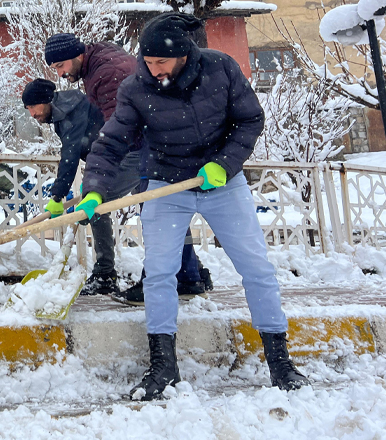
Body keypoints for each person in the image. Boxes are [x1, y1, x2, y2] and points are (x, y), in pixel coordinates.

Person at [74, 12, 310, 400]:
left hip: (221, 181)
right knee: (160, 274)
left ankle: (280, 361)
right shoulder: (136, 88)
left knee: (256, 267)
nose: (152, 70)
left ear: (185, 55)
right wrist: (95, 189)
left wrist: (225, 164)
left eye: (160, 63)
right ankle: (163, 366)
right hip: (168, 184)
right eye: (146, 63)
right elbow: (111, 142)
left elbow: (250, 120)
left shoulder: (220, 68)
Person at [44, 33, 211, 300]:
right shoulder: (100, 58)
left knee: (150, 214)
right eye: (55, 70)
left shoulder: (105, 73)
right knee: (164, 212)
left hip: (150, 146)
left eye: (61, 66)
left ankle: (147, 282)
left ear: (76, 56)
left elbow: (118, 128)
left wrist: (101, 176)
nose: (61, 74)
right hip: (161, 139)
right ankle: (190, 274)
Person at [21, 78, 139, 289]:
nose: (32, 114)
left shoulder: (70, 111)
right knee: (153, 205)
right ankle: (193, 272)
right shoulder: (63, 111)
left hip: (129, 157)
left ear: (46, 100)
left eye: (33, 106)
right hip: (114, 161)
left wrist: (57, 196)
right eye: (28, 108)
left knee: (93, 206)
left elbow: (70, 155)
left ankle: (105, 274)